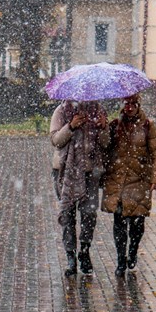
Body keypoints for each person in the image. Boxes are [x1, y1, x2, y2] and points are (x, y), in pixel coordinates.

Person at [101, 93, 156, 277]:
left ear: (138, 105)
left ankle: (133, 252)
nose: (129, 107)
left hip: (139, 182)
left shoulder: (147, 126)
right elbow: (105, 146)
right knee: (119, 223)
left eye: (132, 104)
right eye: (126, 103)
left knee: (137, 224)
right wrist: (104, 128)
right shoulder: (115, 125)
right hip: (118, 181)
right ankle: (121, 260)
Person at [50, 100, 109, 277]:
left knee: (89, 214)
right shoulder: (61, 111)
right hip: (64, 171)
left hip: (90, 172)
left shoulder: (98, 109)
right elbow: (56, 141)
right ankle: (70, 256)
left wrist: (103, 128)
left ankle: (84, 250)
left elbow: (106, 143)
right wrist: (71, 126)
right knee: (67, 214)